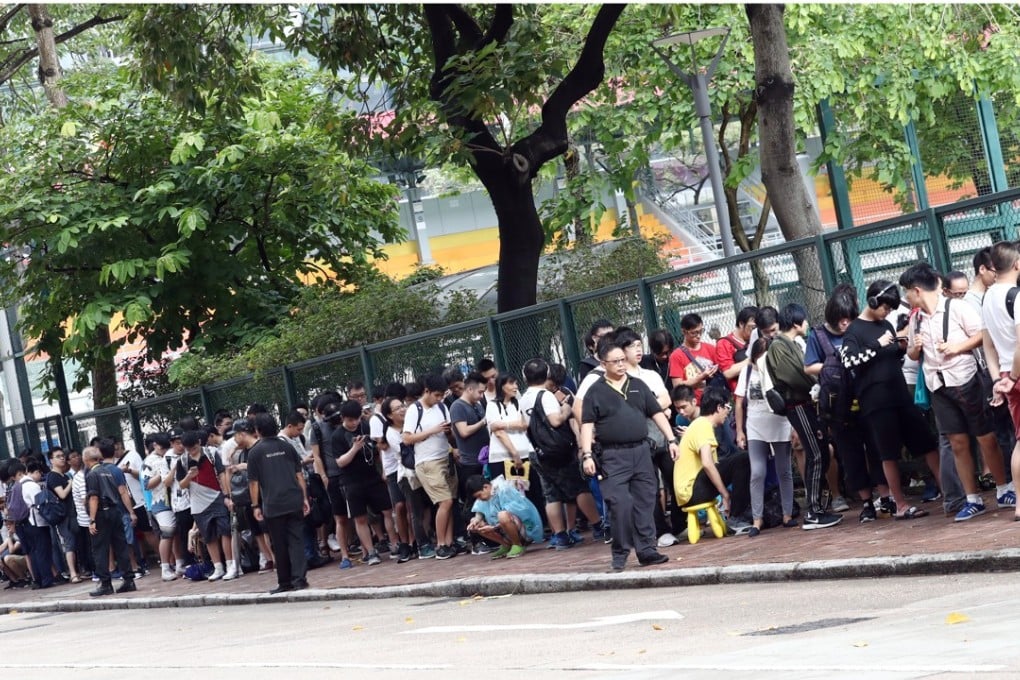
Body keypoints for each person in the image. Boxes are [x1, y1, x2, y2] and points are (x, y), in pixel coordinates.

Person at [841, 280, 941, 520]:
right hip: (876, 401)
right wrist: (877, 344)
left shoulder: (886, 325)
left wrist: (900, 347)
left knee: (927, 443)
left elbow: (891, 357)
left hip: (899, 394)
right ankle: (900, 504)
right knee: (888, 453)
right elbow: (849, 361)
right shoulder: (854, 330)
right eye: (885, 307)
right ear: (873, 301)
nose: (887, 313)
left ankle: (949, 490)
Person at [579, 337, 679, 571]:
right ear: (603, 364)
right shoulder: (595, 391)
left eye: (622, 360)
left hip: (641, 451)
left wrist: (672, 439)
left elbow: (657, 413)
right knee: (620, 503)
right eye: (615, 361)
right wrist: (587, 455)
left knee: (645, 501)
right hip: (612, 456)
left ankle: (647, 550)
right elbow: (587, 424)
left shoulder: (638, 385)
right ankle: (620, 552)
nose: (621, 365)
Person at [805, 284, 890, 523]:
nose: (845, 324)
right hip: (838, 407)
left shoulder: (860, 328)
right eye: (840, 320)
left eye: (848, 319)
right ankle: (866, 502)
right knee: (851, 455)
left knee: (877, 449)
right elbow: (808, 366)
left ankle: (886, 497)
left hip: (866, 399)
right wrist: (835, 367)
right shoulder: (818, 335)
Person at [767, 303, 842, 530]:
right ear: (796, 323)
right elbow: (792, 376)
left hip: (806, 403)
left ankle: (818, 507)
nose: (807, 324)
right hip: (797, 404)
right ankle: (813, 511)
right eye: (804, 320)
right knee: (817, 453)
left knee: (821, 452)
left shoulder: (793, 344)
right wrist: (816, 382)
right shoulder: (778, 346)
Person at [519, 358, 606, 549]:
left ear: (525, 377)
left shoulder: (523, 398)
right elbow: (555, 420)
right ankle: (598, 525)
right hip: (558, 451)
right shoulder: (545, 395)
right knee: (579, 488)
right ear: (547, 374)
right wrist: (566, 409)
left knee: (552, 494)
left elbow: (524, 424)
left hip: (537, 451)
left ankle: (560, 536)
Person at [735, 338, 796, 535]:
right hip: (755, 424)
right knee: (757, 472)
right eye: (759, 356)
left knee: (784, 470)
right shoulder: (747, 372)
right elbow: (739, 403)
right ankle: (757, 519)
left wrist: (794, 427)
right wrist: (740, 431)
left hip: (779, 423)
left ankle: (787, 514)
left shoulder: (778, 370)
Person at [329, 400, 398, 566]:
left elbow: (379, 448)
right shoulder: (337, 436)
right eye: (350, 420)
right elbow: (340, 462)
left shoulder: (366, 426)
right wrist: (354, 448)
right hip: (351, 481)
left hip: (372, 476)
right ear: (343, 418)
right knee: (360, 518)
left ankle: (395, 544)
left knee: (387, 511)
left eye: (357, 419)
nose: (355, 423)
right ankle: (371, 552)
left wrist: (383, 469)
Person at [979, 241, 1020, 521]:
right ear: (1016, 264)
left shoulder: (987, 297)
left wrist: (999, 380)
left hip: (1005, 374)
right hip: (1015, 373)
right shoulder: (1015, 296)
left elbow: (988, 345)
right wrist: (1014, 376)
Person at [675, 386, 753, 530]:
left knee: (737, 459)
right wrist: (725, 494)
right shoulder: (703, 426)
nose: (727, 412)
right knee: (743, 459)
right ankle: (737, 517)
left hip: (688, 491)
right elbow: (707, 463)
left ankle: (741, 511)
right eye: (727, 408)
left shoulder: (699, 424)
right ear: (719, 408)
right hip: (692, 491)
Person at [248, 412, 310, 593]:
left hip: (273, 504)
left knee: (279, 543)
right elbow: (299, 475)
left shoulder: (255, 452)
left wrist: (255, 505)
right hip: (294, 499)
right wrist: (304, 498)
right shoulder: (287, 447)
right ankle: (300, 579)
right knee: (297, 541)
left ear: (258, 430)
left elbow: (253, 483)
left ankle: (284, 582)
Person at [403, 374, 459, 560]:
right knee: (445, 501)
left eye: (442, 395)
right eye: (436, 395)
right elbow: (407, 438)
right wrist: (432, 431)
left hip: (445, 457)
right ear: (426, 391)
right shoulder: (414, 409)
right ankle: (441, 544)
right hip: (427, 462)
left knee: (449, 501)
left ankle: (449, 542)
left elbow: (450, 435)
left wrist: (448, 433)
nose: (439, 399)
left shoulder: (442, 407)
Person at [175, 430, 237, 581]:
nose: (192, 451)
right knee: (208, 536)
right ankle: (218, 567)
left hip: (217, 497)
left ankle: (231, 565)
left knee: (225, 531)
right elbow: (181, 485)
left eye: (194, 448)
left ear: (199, 442)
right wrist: (189, 476)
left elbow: (222, 474)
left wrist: (227, 496)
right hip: (197, 503)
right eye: (188, 449)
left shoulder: (211, 453)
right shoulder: (182, 461)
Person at [86, 439, 137, 596]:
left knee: (100, 548)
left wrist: (92, 519)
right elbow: (121, 491)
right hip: (115, 511)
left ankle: (105, 583)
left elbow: (93, 497)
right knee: (120, 546)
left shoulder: (92, 474)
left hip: (102, 513)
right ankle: (129, 580)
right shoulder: (109, 471)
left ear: (86, 459)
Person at [449, 372, 492, 553]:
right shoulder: (458, 407)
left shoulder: (478, 405)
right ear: (469, 389)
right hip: (469, 462)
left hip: (484, 459)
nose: (482, 396)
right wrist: (483, 422)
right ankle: (475, 541)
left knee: (486, 499)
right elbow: (463, 431)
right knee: (473, 502)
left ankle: (489, 537)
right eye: (480, 392)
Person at [465, 474, 543, 559]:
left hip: (524, 529)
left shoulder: (504, 489)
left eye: (479, 495)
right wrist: (476, 520)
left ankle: (517, 544)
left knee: (502, 515)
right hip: (504, 529)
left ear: (486, 487)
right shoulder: (486, 494)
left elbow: (512, 514)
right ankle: (506, 545)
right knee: (476, 524)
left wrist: (493, 528)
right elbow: (479, 510)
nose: (479, 499)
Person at [11, 461, 55, 589]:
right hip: (37, 522)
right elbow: (40, 502)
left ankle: (38, 580)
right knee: (42, 550)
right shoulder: (31, 485)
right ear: (24, 471)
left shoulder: (17, 487)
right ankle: (46, 580)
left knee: (34, 552)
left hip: (24, 523)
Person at [142, 433, 178, 581]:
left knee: (175, 533)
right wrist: (162, 474)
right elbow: (147, 484)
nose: (164, 451)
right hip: (160, 501)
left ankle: (179, 563)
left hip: (174, 499)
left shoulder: (170, 455)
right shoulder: (150, 461)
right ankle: (165, 567)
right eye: (162, 448)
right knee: (167, 533)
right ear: (155, 445)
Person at [45, 448, 81, 583]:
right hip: (62, 515)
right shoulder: (53, 476)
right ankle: (73, 573)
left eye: (62, 456)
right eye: (58, 456)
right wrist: (71, 483)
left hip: (72, 513)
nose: (62, 458)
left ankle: (78, 570)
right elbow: (62, 494)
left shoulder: (64, 476)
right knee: (69, 543)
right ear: (51, 460)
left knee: (75, 542)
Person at [668, 313, 720, 400]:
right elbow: (677, 386)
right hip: (692, 402)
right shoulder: (676, 356)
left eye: (701, 331)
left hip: (713, 399)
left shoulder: (710, 348)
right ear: (684, 332)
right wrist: (700, 378)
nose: (698, 336)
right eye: (694, 333)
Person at [717, 306, 758, 391]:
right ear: (741, 324)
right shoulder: (725, 343)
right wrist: (752, 359)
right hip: (741, 391)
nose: (756, 331)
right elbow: (728, 373)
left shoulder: (757, 338)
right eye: (753, 328)